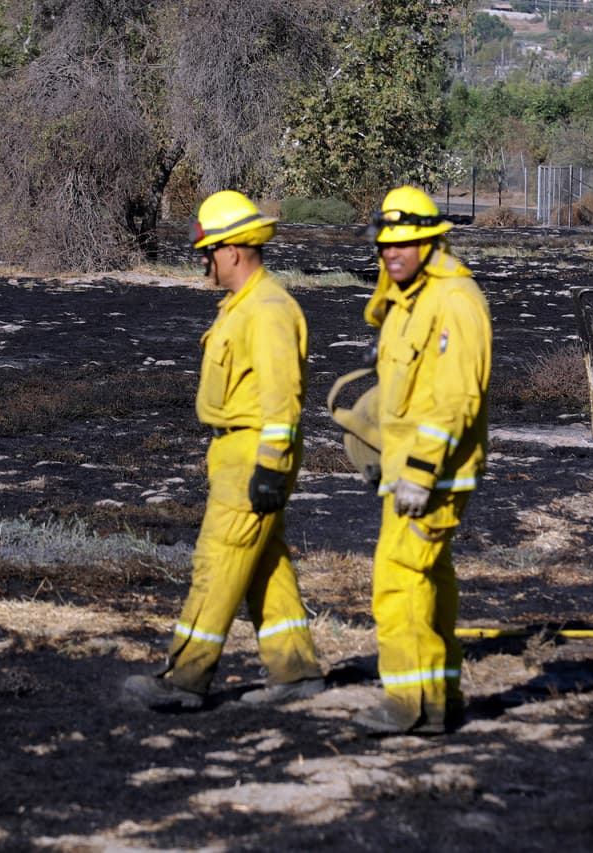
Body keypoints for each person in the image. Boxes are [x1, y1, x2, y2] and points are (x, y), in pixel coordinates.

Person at [123, 190, 325, 710]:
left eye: (209, 252)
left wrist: (270, 467)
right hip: (236, 452)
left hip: (252, 453)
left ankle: (186, 678)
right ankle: (296, 671)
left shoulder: (268, 309)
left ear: (233, 251)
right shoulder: (244, 306)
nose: (206, 262)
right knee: (263, 563)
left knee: (217, 563)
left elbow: (283, 399)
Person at [352, 186, 491, 734]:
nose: (392, 254)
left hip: (432, 475)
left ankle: (405, 702)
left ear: (434, 243)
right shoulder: (411, 300)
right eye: (386, 246)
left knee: (398, 578)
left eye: (404, 246)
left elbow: (456, 399)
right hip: (412, 469)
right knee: (430, 580)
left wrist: (418, 470)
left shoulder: (455, 302)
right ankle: (438, 703)